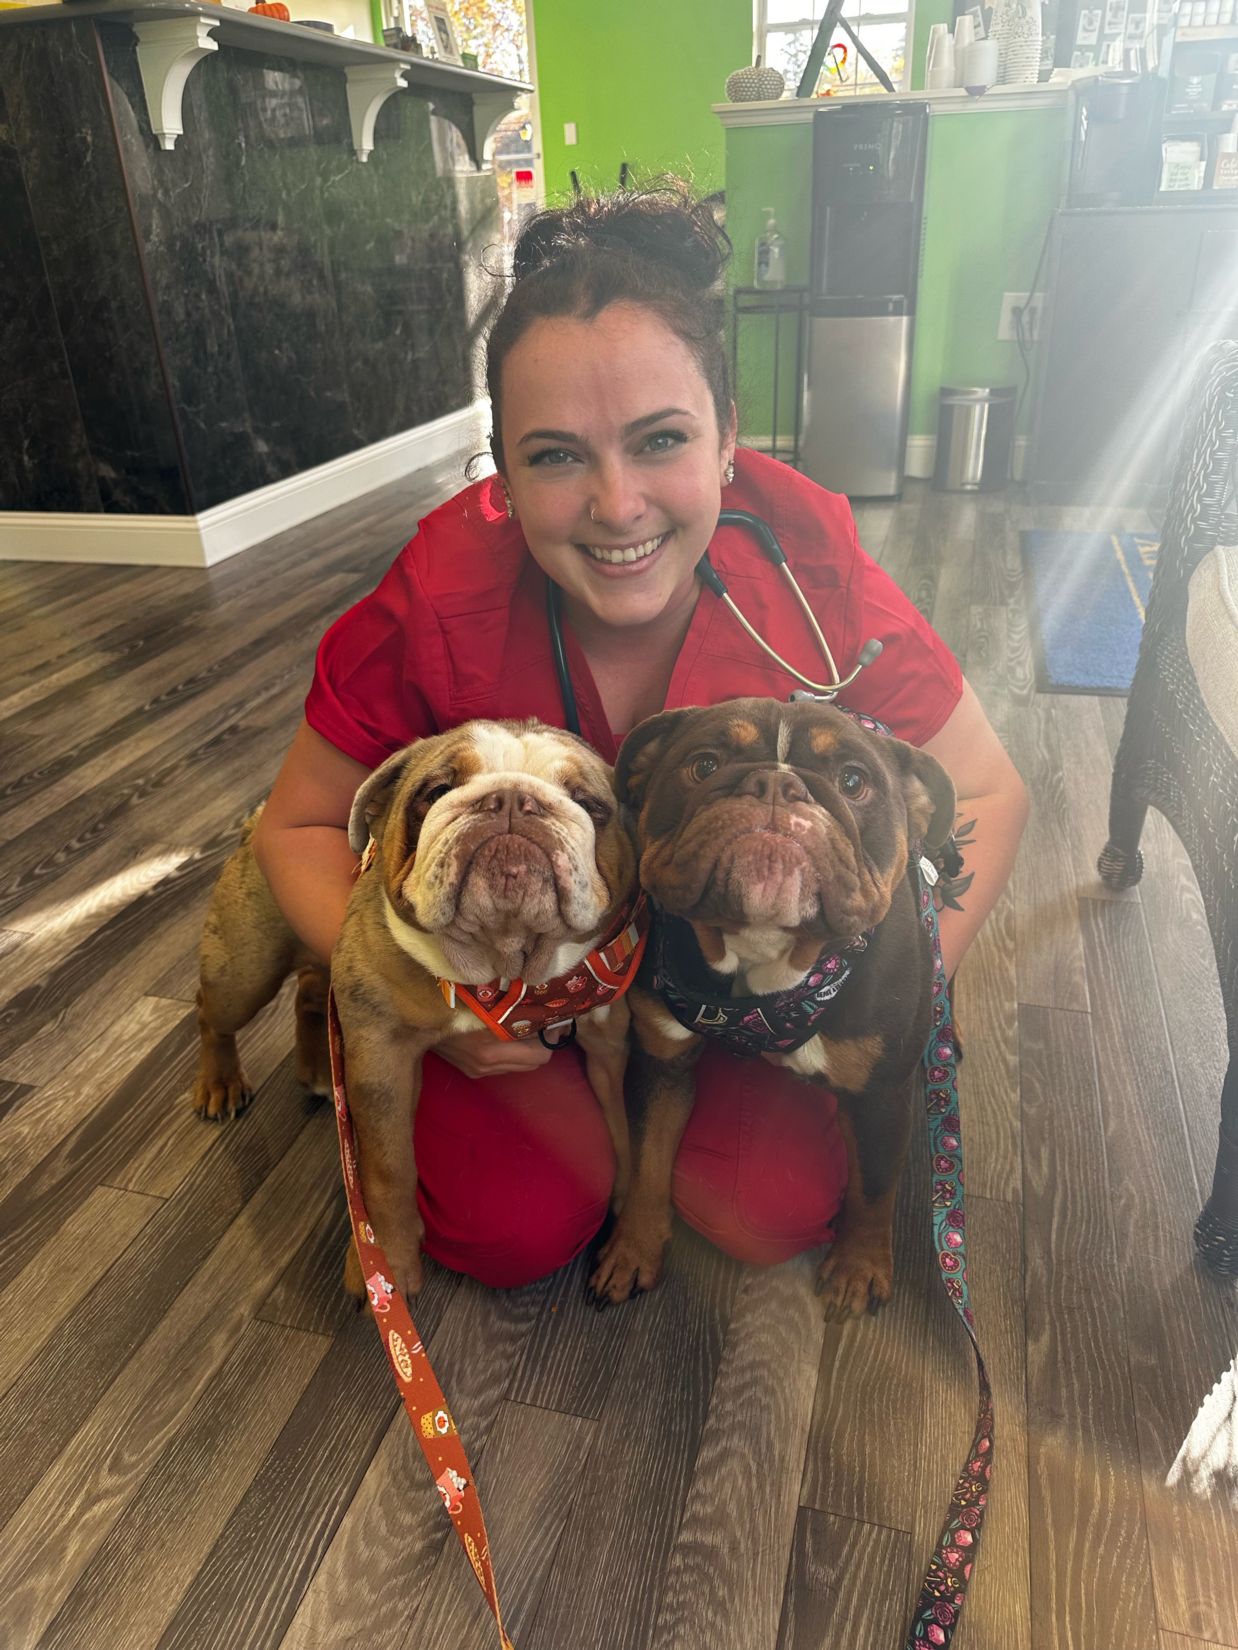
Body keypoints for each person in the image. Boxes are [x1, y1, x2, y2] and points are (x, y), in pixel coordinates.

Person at [253, 184, 1029, 1291]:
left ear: (726, 445)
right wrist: (424, 998)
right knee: (505, 1230)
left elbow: (988, 796)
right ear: (502, 475)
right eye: (557, 456)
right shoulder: (437, 595)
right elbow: (298, 820)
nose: (617, 506)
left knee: (761, 1211)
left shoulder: (811, 570)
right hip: (501, 974)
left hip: (743, 985)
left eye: (660, 440)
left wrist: (888, 988)